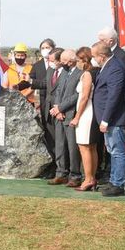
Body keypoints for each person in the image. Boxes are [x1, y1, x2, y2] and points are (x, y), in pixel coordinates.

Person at [91, 41, 125, 197]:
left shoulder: (115, 68)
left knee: (117, 152)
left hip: (114, 119)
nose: (93, 59)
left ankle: (118, 184)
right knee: (112, 151)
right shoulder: (107, 67)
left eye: (94, 56)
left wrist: (105, 119)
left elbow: (114, 96)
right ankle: (113, 181)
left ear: (101, 55)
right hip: (107, 119)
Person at [48, 50, 82, 187]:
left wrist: (60, 108)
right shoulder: (64, 73)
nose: (61, 63)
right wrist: (57, 109)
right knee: (60, 145)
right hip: (59, 116)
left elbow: (76, 95)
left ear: (71, 61)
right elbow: (58, 91)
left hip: (70, 115)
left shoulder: (80, 74)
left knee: (72, 147)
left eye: (63, 60)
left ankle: (75, 176)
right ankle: (61, 173)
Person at [69, 47, 100, 191]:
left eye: (78, 60)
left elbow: (84, 97)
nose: (77, 63)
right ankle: (91, 178)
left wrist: (77, 116)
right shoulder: (94, 72)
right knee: (91, 147)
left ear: (84, 60)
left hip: (86, 113)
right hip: (89, 112)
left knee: (84, 147)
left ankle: (88, 179)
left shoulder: (87, 74)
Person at [34, 48, 65, 180]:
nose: (49, 62)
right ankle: (54, 168)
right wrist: (30, 82)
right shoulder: (51, 70)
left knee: (61, 143)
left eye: (52, 60)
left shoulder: (67, 73)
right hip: (48, 111)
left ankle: (63, 170)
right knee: (52, 142)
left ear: (59, 60)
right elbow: (46, 84)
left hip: (61, 112)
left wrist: (59, 108)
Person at [28, 38, 56, 178]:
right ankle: (51, 166)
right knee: (48, 136)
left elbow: (48, 83)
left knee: (57, 138)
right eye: (43, 47)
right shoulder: (38, 65)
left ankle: (60, 167)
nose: (46, 49)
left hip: (57, 106)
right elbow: (29, 79)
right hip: (44, 105)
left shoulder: (57, 65)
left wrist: (32, 82)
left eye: (48, 47)